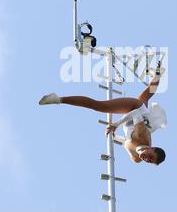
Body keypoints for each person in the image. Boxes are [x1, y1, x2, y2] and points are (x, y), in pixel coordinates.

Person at [39, 70, 167, 165]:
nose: (147, 159)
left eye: (150, 161)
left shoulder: (136, 158)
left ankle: (158, 73)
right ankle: (58, 99)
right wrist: (115, 125)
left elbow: (127, 142)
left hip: (139, 119)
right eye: (151, 157)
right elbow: (135, 114)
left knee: (149, 92)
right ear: (152, 148)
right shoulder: (142, 136)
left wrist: (115, 137)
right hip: (135, 109)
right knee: (98, 106)